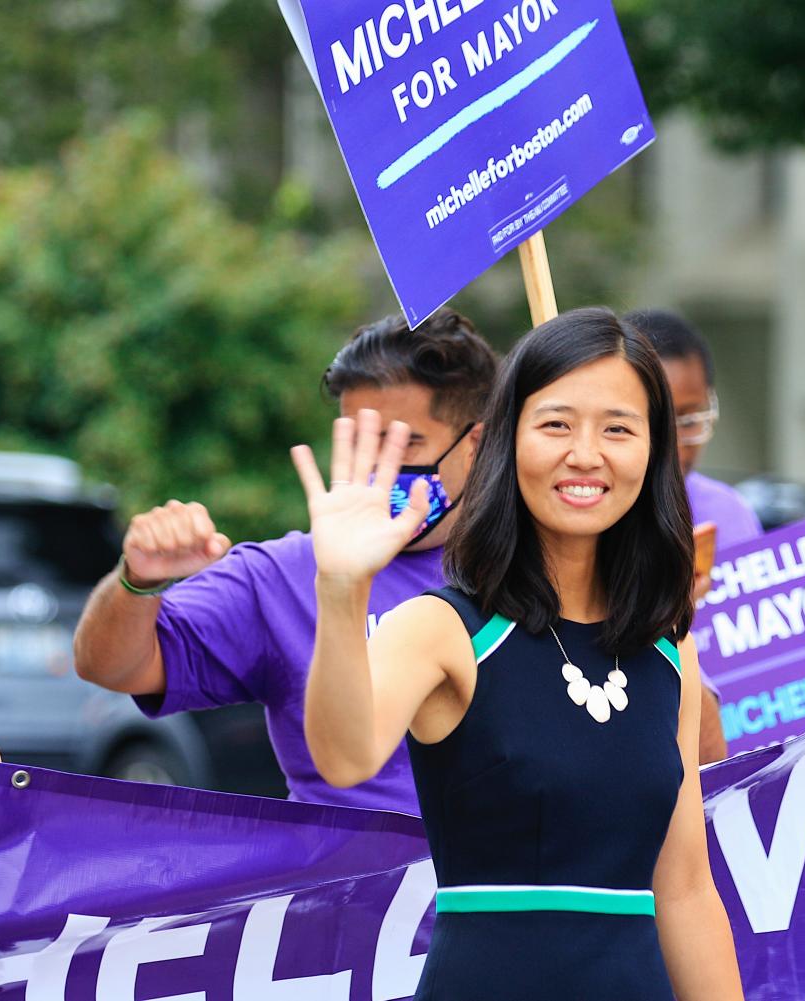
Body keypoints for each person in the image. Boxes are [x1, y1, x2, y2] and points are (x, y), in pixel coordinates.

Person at [294, 308, 743, 1000]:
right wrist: (341, 592)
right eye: (556, 423)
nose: (586, 454)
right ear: (507, 440)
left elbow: (683, 889)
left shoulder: (667, 648)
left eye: (617, 428)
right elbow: (344, 754)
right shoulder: (444, 626)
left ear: (652, 452)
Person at [72, 309, 496, 811]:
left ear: (476, 445)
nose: (376, 468)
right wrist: (137, 579)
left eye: (401, 445)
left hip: (505, 885)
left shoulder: (545, 568)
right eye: (357, 442)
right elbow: (113, 666)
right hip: (347, 886)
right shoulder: (282, 576)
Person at [626, 308, 763, 762]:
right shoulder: (585, 522)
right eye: (655, 421)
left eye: (689, 421)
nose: (674, 445)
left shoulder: (731, 515)